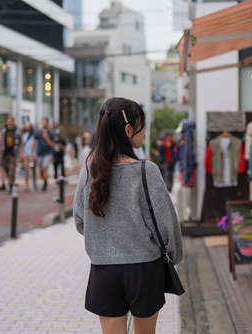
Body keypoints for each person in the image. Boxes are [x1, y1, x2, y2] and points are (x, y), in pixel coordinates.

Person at [73, 97, 183, 334]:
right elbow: (166, 227)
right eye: (142, 126)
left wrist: (104, 240)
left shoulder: (89, 170)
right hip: (144, 268)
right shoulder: (147, 171)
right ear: (128, 129)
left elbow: (81, 221)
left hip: (103, 269)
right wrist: (172, 257)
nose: (144, 132)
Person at [0, 115, 21, 192]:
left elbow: (20, 143)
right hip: (4, 153)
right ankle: (10, 183)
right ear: (6, 122)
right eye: (8, 120)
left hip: (13, 153)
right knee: (5, 169)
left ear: (13, 121)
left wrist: (21, 154)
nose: (9, 122)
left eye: (11, 120)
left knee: (12, 170)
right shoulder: (3, 131)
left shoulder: (17, 131)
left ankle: (11, 185)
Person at [31, 118, 54, 191]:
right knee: (41, 169)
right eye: (43, 122)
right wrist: (31, 152)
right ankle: (44, 180)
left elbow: (52, 145)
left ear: (47, 123)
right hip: (39, 153)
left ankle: (45, 183)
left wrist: (46, 138)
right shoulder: (37, 132)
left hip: (48, 153)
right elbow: (34, 142)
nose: (44, 124)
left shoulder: (51, 133)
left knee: (45, 167)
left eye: (45, 122)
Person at [20, 121, 38, 191]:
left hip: (33, 155)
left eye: (28, 126)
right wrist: (21, 154)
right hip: (26, 155)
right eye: (26, 126)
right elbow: (22, 145)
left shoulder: (34, 135)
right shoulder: (23, 135)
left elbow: (36, 144)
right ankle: (27, 185)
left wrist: (34, 153)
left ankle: (34, 183)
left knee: (33, 170)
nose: (27, 127)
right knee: (26, 170)